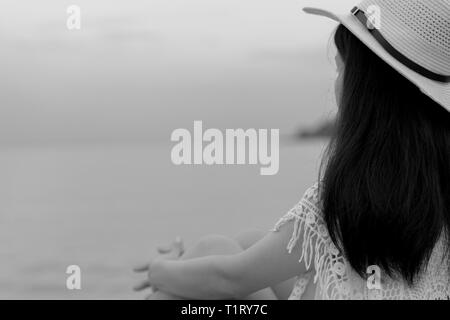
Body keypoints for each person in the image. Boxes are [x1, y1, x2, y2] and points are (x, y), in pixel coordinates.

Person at [134, 0, 450, 300]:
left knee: (208, 255)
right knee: (248, 243)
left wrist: (160, 267)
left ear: (365, 91)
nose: (336, 83)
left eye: (341, 70)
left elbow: (230, 279)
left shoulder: (352, 196)